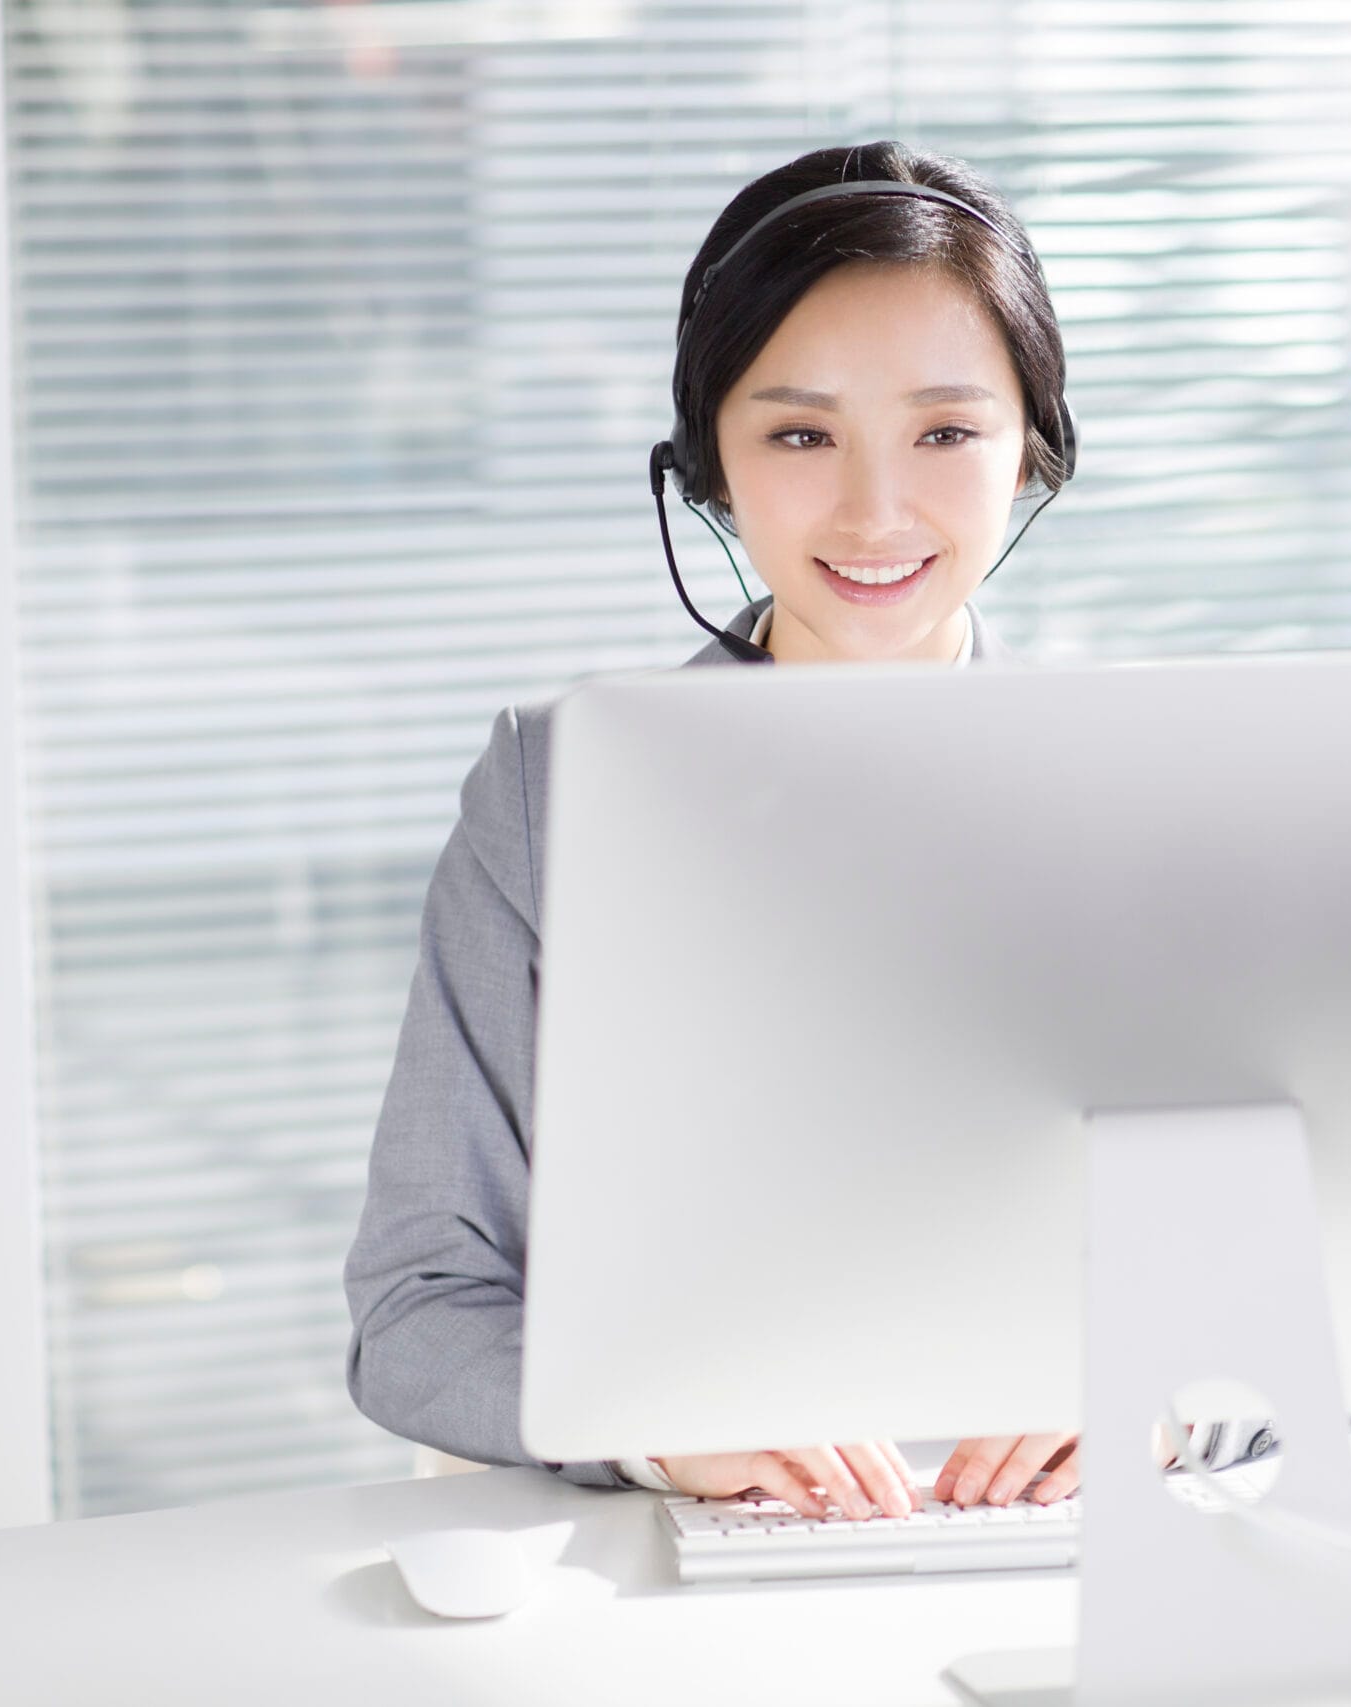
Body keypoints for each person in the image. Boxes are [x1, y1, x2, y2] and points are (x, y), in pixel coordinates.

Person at [343, 140, 1085, 1522]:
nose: (874, 511)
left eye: (946, 431)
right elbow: (419, 1312)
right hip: (701, 1561)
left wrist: (1196, 1394)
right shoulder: (557, 791)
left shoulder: (1163, 786)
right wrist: (660, 1428)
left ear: (1033, 449)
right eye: (800, 435)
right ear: (708, 469)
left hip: (1083, 1549)